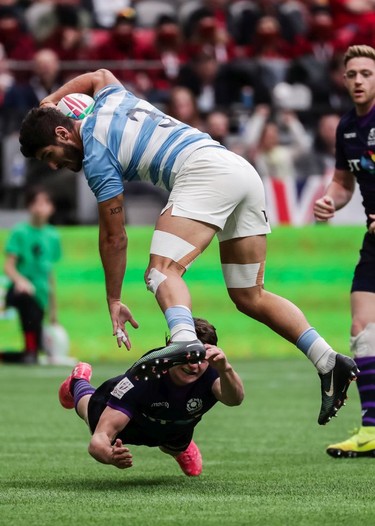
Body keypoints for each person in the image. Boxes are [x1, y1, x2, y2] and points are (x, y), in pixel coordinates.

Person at [19, 67, 358, 425]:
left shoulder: (96, 156)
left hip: (204, 172)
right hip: (240, 171)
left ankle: (183, 338)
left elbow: (114, 237)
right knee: (249, 295)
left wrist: (114, 299)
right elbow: (100, 74)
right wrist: (51, 101)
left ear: (62, 132)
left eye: (49, 155)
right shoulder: (113, 99)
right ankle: (327, 360)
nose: (55, 165)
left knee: (161, 271)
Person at [58, 318, 244, 476]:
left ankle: (178, 447)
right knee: (90, 414)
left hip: (173, 424)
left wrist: (226, 369)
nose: (194, 366)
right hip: (129, 423)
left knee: (178, 430)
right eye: (188, 357)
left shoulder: (215, 370)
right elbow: (98, 440)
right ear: (172, 350)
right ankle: (77, 382)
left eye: (201, 358)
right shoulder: (144, 376)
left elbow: (234, 399)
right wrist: (109, 455)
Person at [314, 44, 375, 456]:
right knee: (362, 331)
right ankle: (372, 428)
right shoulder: (346, 127)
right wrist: (330, 200)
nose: (357, 80)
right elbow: (343, 182)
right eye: (351, 73)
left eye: (366, 74)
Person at [2, 186, 61, 364]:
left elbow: (50, 274)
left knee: (34, 348)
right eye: (36, 203)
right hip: (20, 290)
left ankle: (18, 353)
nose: (40, 207)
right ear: (29, 206)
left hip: (41, 293)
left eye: (45, 203)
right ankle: (30, 349)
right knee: (27, 302)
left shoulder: (53, 235)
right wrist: (21, 281)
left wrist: (54, 311)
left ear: (52, 208)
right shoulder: (20, 232)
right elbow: (9, 267)